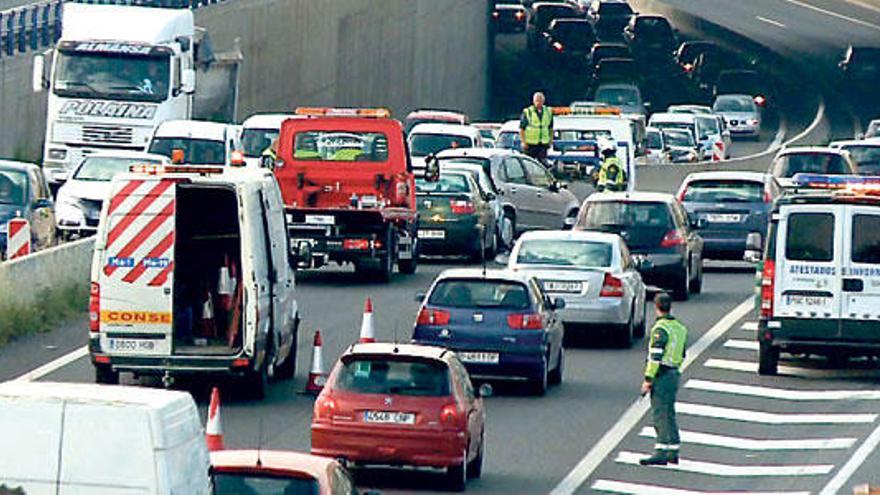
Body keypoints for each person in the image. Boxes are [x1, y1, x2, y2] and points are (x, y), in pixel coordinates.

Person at [640, 292, 688, 466]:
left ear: (656, 306)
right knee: (669, 412)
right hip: (674, 372)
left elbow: (655, 357)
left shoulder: (660, 329)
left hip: (663, 375)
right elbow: (682, 353)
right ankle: (673, 450)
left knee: (660, 413)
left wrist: (648, 379)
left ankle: (661, 450)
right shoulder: (680, 328)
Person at [520, 91, 553, 164]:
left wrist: (550, 141)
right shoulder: (528, 112)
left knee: (543, 164)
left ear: (543, 101)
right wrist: (524, 142)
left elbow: (550, 128)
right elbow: (522, 129)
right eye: (537, 100)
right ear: (533, 101)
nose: (538, 103)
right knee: (529, 164)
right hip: (530, 144)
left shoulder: (548, 112)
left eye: (540, 100)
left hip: (543, 144)